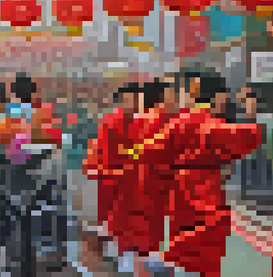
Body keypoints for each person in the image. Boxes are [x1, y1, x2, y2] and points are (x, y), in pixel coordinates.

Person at [136, 73, 261, 277]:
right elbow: (251, 136)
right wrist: (250, 113)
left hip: (180, 190)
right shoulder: (217, 126)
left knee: (181, 243)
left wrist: (170, 173)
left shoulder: (178, 123)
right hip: (208, 188)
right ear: (218, 98)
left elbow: (149, 153)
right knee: (207, 247)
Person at [118, 80, 177, 274]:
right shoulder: (164, 122)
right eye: (171, 96)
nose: (174, 100)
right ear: (160, 99)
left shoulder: (135, 121)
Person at [84, 83, 140, 261]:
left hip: (123, 174)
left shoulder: (138, 119)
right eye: (134, 99)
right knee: (112, 215)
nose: (138, 103)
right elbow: (112, 152)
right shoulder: (113, 122)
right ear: (123, 101)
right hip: (112, 174)